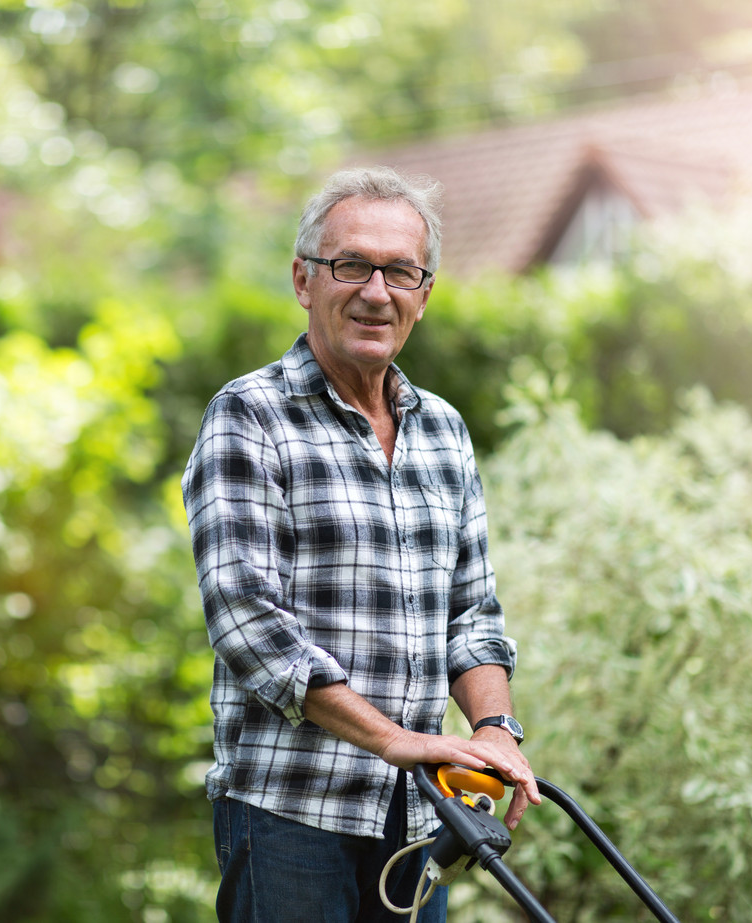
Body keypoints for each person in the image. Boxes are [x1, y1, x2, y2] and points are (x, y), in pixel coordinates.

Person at [181, 166, 540, 923]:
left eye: (400, 270)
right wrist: (399, 740)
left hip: (414, 820)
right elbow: (250, 627)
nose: (377, 291)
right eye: (352, 265)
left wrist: (493, 729)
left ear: (424, 293)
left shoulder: (442, 429)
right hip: (287, 815)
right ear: (304, 279)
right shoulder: (249, 416)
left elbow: (471, 614)